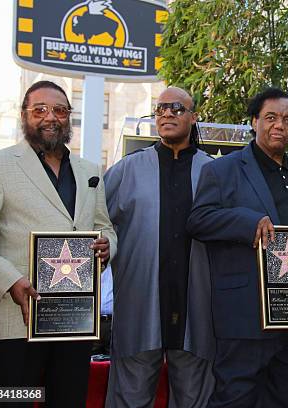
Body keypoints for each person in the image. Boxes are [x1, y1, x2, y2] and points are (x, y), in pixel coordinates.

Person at [0, 80, 116, 407]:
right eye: (39, 109)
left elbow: (104, 227)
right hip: (17, 318)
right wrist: (10, 280)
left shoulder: (89, 170)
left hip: (74, 319)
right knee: (11, 400)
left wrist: (108, 245)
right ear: (24, 115)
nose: (50, 117)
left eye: (60, 110)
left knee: (67, 398)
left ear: (69, 117)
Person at [187, 87, 288, 408]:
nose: (280, 125)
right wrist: (247, 222)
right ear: (254, 121)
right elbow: (198, 220)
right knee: (235, 397)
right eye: (271, 117)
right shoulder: (223, 169)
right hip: (246, 314)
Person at [104, 87, 214, 408]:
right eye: (161, 108)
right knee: (130, 397)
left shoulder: (215, 171)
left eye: (177, 108)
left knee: (195, 399)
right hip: (140, 307)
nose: (167, 113)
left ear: (193, 118)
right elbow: (96, 222)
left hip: (198, 310)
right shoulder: (127, 170)